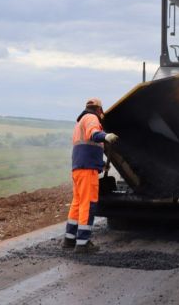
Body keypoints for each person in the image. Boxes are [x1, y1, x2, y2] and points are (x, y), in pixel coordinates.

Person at [63, 98, 118, 253]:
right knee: (88, 204)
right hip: (87, 170)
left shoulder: (80, 122)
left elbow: (87, 147)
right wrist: (106, 136)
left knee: (78, 203)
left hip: (79, 168)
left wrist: (101, 164)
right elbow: (93, 134)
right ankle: (83, 243)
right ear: (99, 110)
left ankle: (69, 239)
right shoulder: (92, 118)